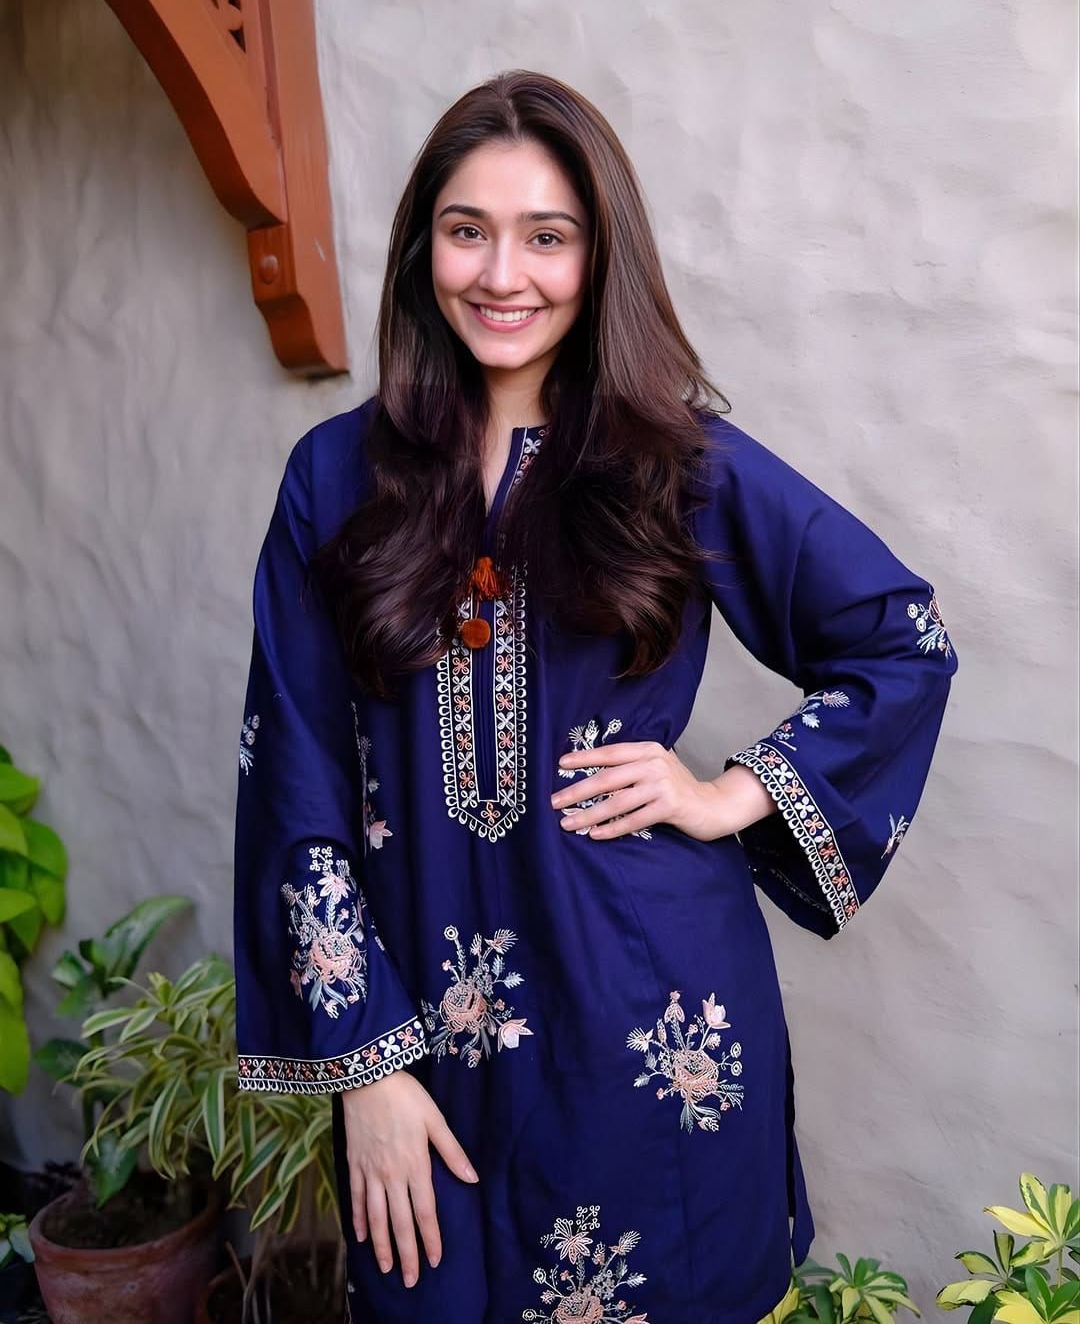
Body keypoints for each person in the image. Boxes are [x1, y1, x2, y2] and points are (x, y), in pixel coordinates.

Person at [232, 68, 958, 1324]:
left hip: (650, 1022)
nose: (501, 274)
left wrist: (734, 793)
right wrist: (364, 1065)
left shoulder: (673, 463)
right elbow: (297, 772)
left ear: (598, 256)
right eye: (468, 230)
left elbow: (903, 640)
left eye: (547, 237)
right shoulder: (335, 477)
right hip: (424, 1049)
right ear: (422, 249)